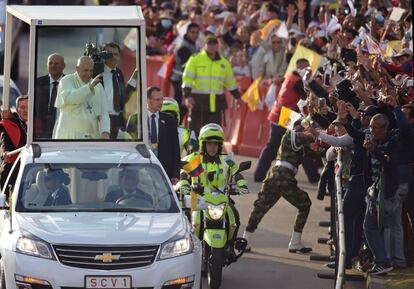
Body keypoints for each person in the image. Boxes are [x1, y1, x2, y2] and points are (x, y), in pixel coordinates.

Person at [178, 123, 249, 259]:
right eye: (209, 144)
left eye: (215, 144)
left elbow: (236, 172)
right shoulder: (194, 158)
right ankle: (185, 249)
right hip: (198, 199)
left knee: (234, 217)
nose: (212, 147)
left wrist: (242, 184)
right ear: (203, 144)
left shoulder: (226, 159)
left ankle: (230, 245)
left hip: (221, 199)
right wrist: (184, 184)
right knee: (185, 222)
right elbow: (184, 172)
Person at [243, 121, 315, 253]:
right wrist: (323, 134)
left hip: (275, 175)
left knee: (260, 208)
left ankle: (245, 241)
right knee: (305, 204)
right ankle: (295, 242)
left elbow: (314, 154)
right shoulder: (292, 135)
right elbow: (310, 137)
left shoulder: (297, 143)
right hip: (284, 176)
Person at [254, 58, 319, 183]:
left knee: (272, 147)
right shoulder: (297, 81)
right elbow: (311, 92)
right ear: (299, 67)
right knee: (302, 145)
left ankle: (259, 175)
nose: (308, 70)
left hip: (280, 115)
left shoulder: (290, 77)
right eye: (305, 68)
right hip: (286, 116)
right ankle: (314, 177)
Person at [182, 34, 240, 134]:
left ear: (218, 45)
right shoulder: (195, 59)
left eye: (214, 44)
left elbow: (230, 82)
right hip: (199, 102)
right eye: (209, 43)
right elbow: (187, 79)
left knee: (213, 132)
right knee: (195, 132)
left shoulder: (224, 63)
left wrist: (237, 96)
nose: (212, 46)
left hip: (216, 104)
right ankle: (194, 149)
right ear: (204, 45)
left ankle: (210, 150)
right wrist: (187, 96)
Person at [126, 87, 180, 184]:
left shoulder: (170, 120)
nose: (161, 102)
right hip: (140, 171)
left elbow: (175, 148)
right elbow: (128, 147)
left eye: (162, 99)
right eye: (157, 100)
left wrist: (176, 174)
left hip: (164, 171)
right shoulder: (135, 119)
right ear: (147, 100)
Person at [53, 56, 110, 140]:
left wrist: (105, 131)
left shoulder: (98, 85)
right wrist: (89, 87)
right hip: (69, 135)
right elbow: (71, 98)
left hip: (92, 136)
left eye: (91, 70)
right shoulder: (66, 81)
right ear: (77, 69)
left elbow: (104, 111)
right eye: (86, 70)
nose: (89, 74)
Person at [169, 23, 200, 122]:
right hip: (180, 81)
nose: (195, 35)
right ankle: (172, 128)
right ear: (187, 32)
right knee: (180, 109)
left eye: (197, 33)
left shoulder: (190, 44)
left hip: (182, 80)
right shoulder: (184, 47)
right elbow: (186, 67)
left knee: (181, 109)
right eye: (192, 32)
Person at [101, 42, 131, 139]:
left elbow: (122, 95)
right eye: (110, 54)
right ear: (104, 54)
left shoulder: (118, 73)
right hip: (102, 118)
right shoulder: (97, 72)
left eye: (116, 54)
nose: (113, 57)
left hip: (116, 118)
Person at [0, 95, 28, 191]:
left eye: (28, 107)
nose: (26, 110)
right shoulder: (10, 124)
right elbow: (5, 144)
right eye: (22, 107)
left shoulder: (40, 123)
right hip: (15, 170)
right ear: (17, 109)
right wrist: (5, 153)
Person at [35, 53, 65, 139]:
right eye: (50, 63)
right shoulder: (37, 83)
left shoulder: (69, 82)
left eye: (56, 63)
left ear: (63, 66)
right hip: (41, 130)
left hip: (62, 127)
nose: (53, 66)